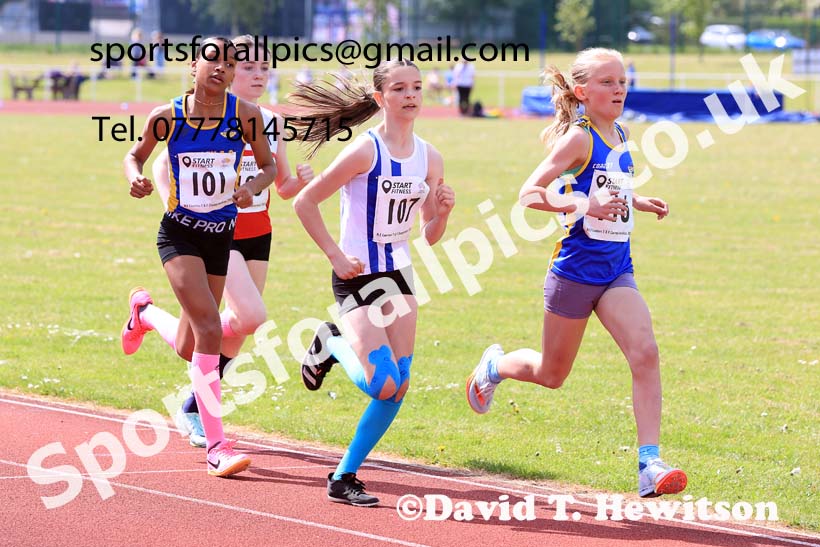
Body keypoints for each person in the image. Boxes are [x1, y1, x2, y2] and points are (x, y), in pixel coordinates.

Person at [465, 48, 686, 499]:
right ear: (582, 92)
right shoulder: (578, 139)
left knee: (645, 352)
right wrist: (586, 206)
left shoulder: (621, 131)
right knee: (552, 374)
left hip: (616, 269)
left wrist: (636, 201)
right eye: (607, 82)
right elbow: (529, 194)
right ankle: (494, 366)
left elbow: (608, 185)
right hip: (574, 271)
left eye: (622, 80)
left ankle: (649, 464)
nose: (619, 89)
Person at [290, 59, 455, 506]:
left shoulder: (430, 157)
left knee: (399, 386)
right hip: (358, 276)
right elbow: (305, 202)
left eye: (417, 87)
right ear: (381, 98)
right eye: (399, 88)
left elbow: (431, 236)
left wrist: (442, 210)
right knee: (383, 382)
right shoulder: (364, 151)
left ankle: (344, 476)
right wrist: (335, 255)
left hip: (399, 277)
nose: (411, 95)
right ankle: (329, 342)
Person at [144, 34, 313, 448]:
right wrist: (179, 209)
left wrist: (300, 183)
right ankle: (204, 408)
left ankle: (149, 320)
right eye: (249, 67)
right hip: (221, 231)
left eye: (264, 69)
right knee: (248, 318)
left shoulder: (267, 121)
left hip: (260, 234)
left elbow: (281, 183)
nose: (257, 75)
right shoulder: (200, 116)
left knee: (229, 332)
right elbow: (165, 164)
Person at [121, 36, 277, 477]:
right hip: (180, 236)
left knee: (191, 345)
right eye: (213, 60)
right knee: (210, 328)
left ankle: (144, 313)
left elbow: (268, 168)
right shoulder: (167, 115)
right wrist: (135, 178)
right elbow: (135, 155)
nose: (221, 69)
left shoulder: (245, 115)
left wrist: (252, 187)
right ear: (193, 65)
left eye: (230, 64)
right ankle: (217, 447)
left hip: (219, 238)